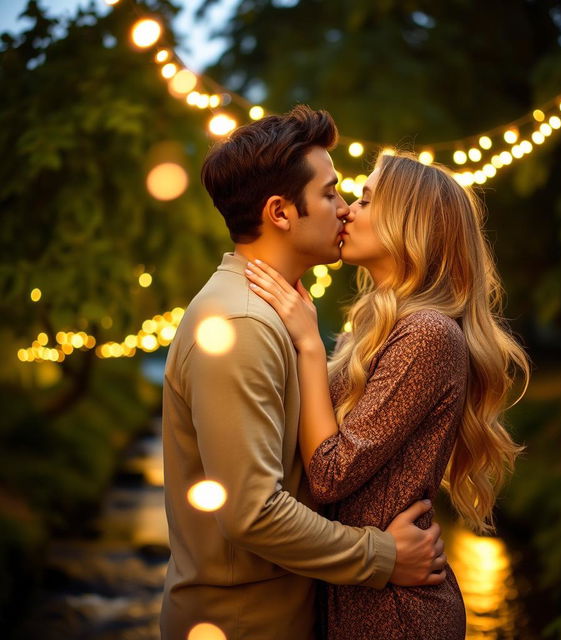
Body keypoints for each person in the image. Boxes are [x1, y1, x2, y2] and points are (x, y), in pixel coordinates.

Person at [160, 107, 448, 640]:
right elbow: (251, 513)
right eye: (332, 194)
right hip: (243, 624)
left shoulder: (275, 314)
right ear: (281, 212)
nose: (344, 210)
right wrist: (383, 556)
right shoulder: (240, 322)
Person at [245, 152, 530, 639]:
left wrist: (309, 345)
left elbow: (331, 475)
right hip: (364, 594)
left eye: (365, 198)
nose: (347, 210)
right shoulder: (381, 330)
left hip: (397, 614)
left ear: (408, 224)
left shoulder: (427, 335)